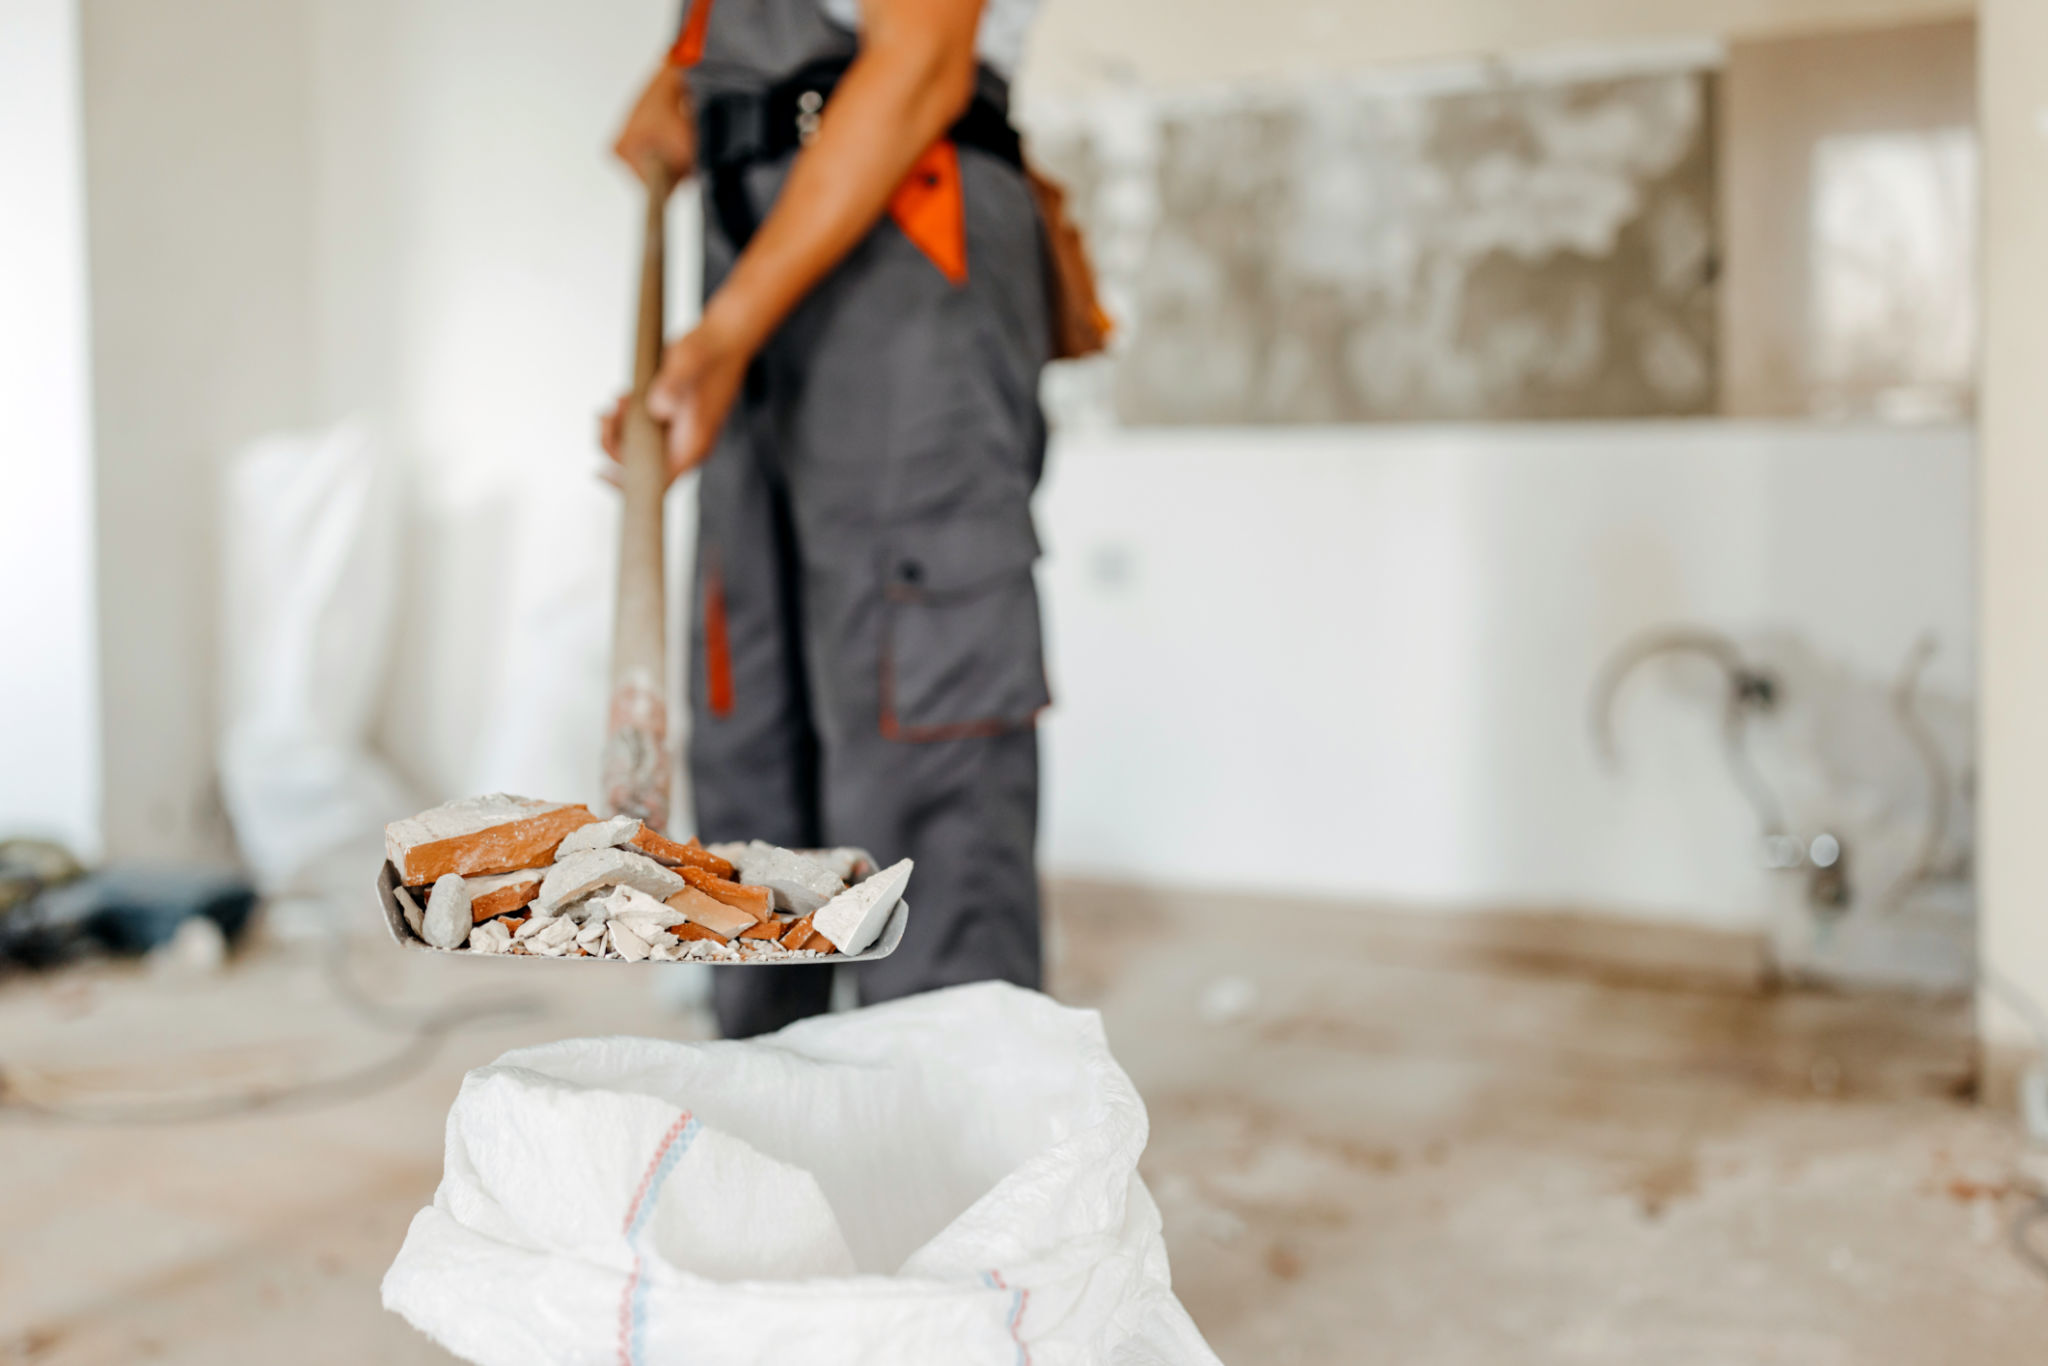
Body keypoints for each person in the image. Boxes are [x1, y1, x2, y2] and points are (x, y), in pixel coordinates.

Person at [601, 0, 1053, 1039]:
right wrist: (690, 81)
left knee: (914, 733)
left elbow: (922, 57)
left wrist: (718, 341)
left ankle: (954, 1151)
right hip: (752, 238)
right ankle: (777, 1127)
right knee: (751, 724)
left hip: (902, 222)